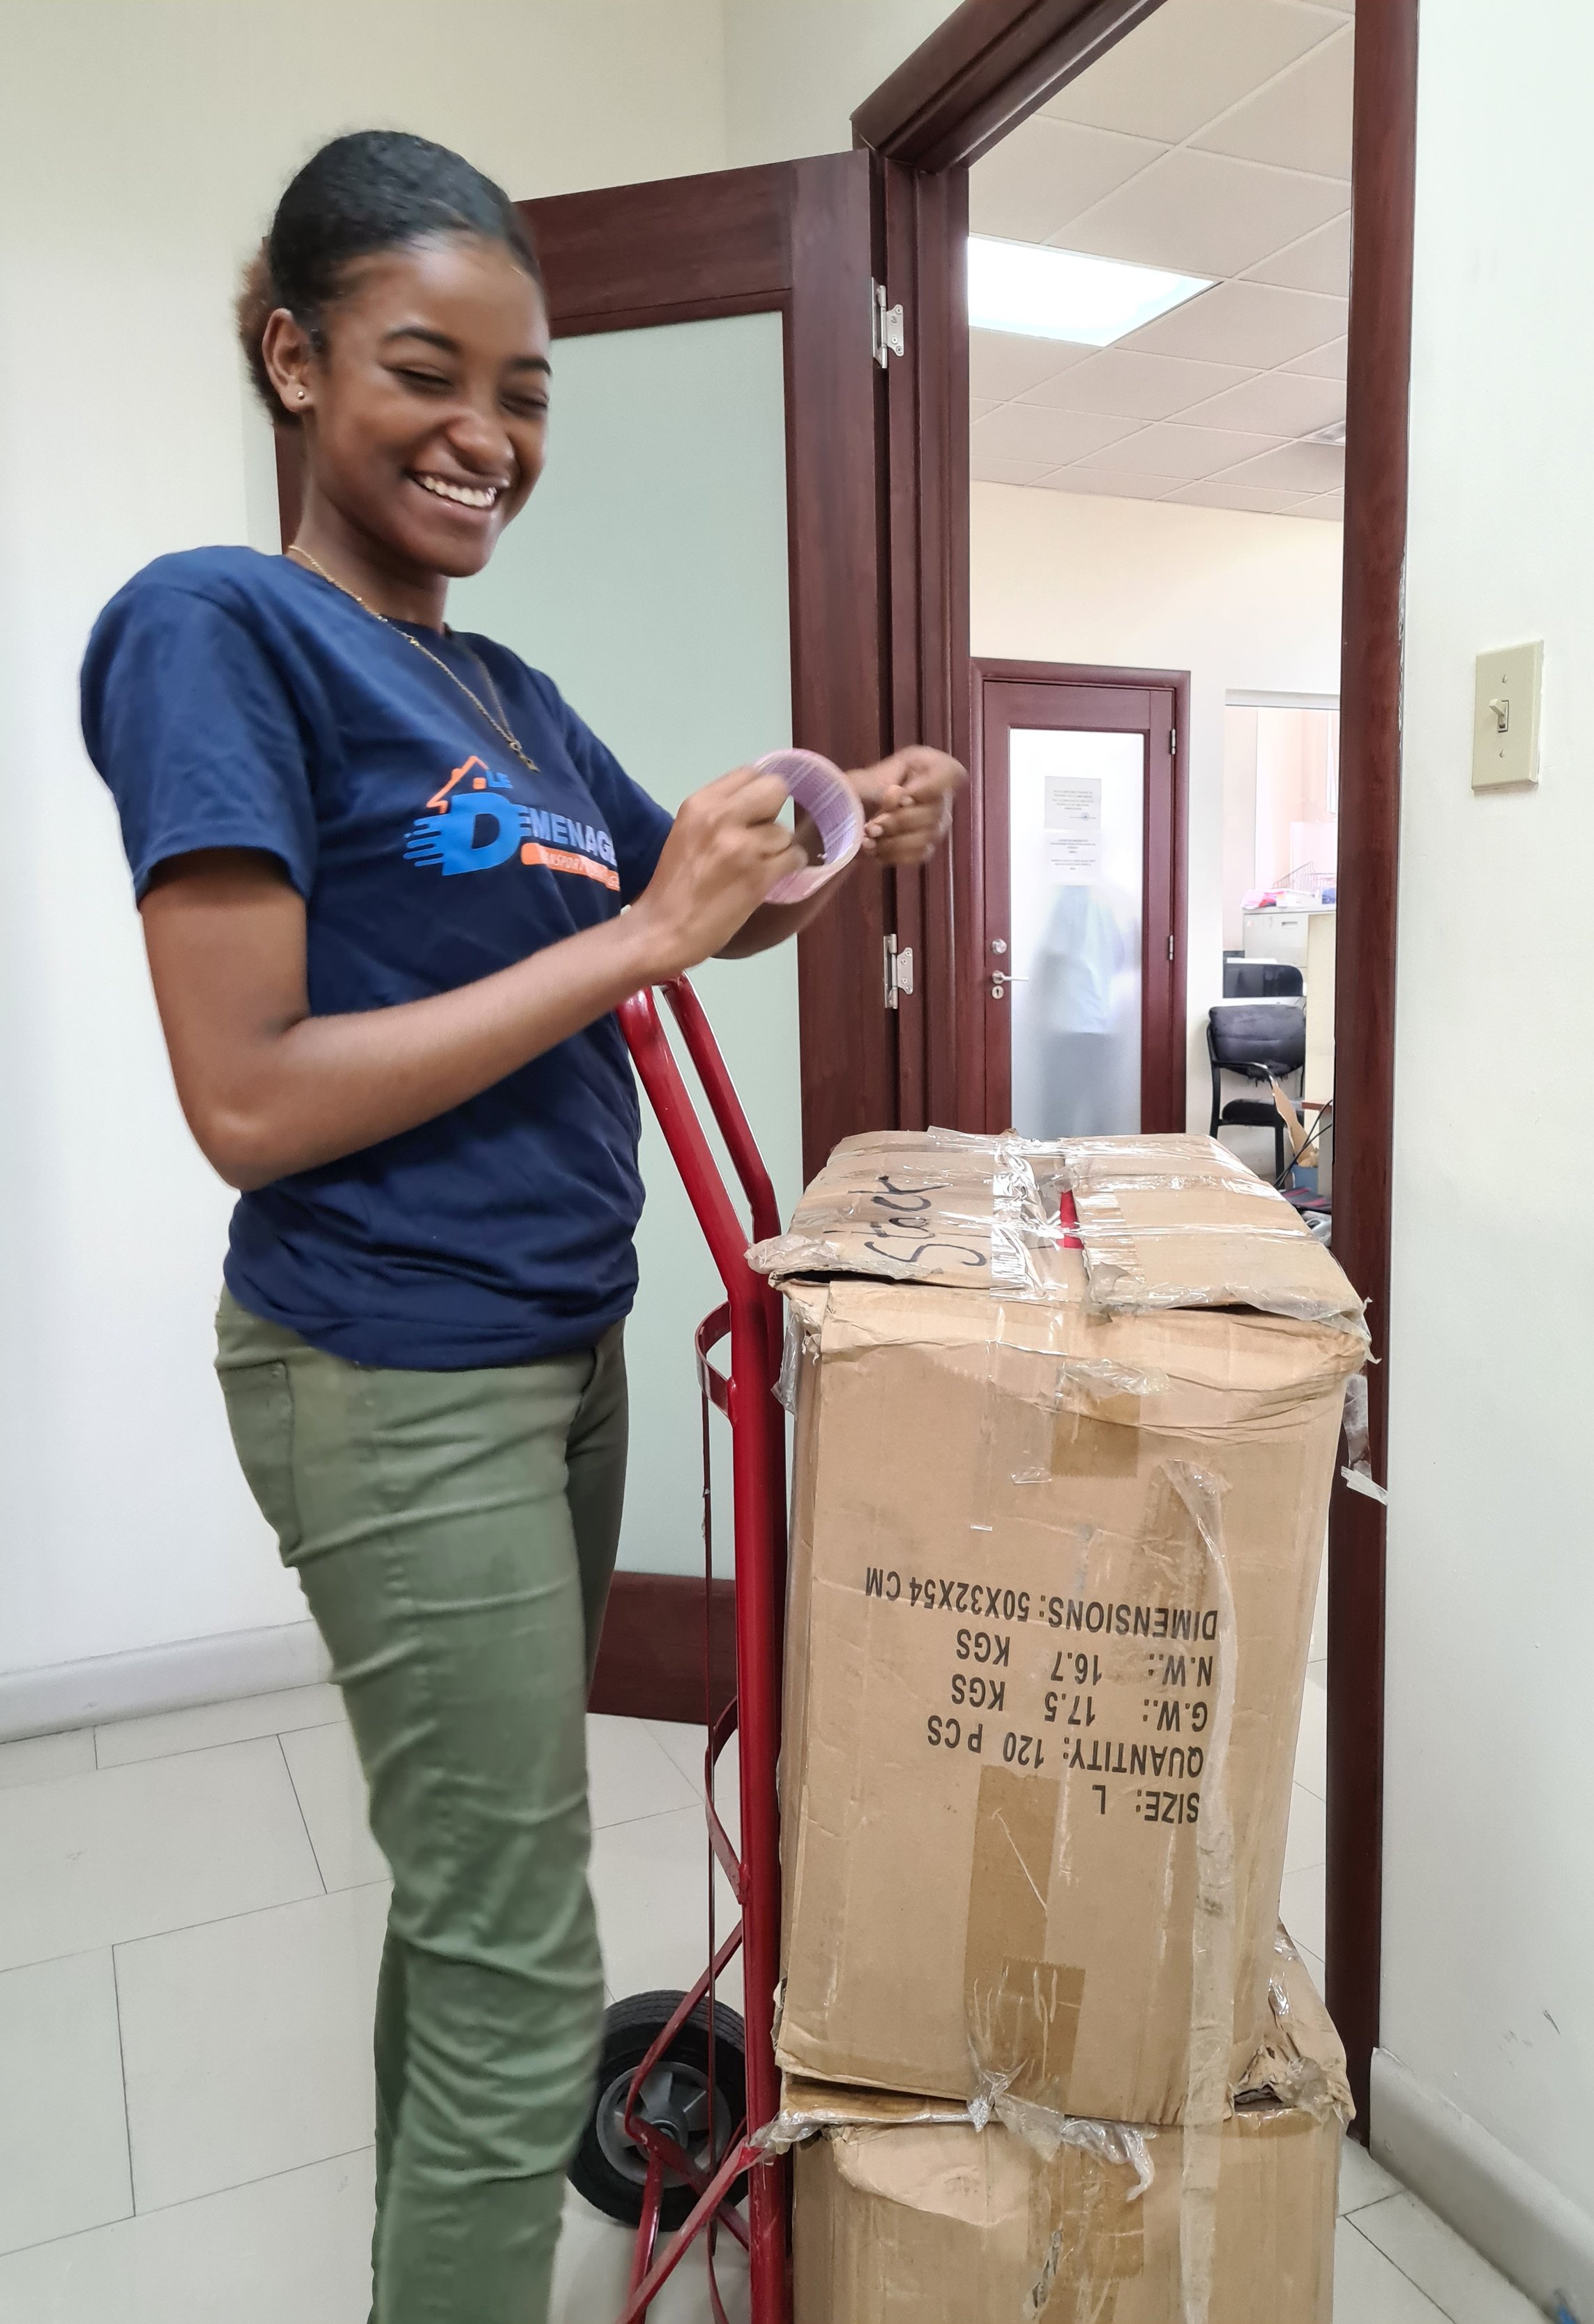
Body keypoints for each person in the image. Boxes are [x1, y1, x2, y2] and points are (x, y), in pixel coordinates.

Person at [79, 129, 959, 2324]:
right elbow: (249, 1099)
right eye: (422, 369)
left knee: (469, 1908)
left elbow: (667, 927)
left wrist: (826, 839)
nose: (488, 433)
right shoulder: (214, 628)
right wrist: (651, 935)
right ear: (291, 359)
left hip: (554, 1349)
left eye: (530, 388)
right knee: (521, 1963)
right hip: (393, 1369)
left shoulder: (509, 697)